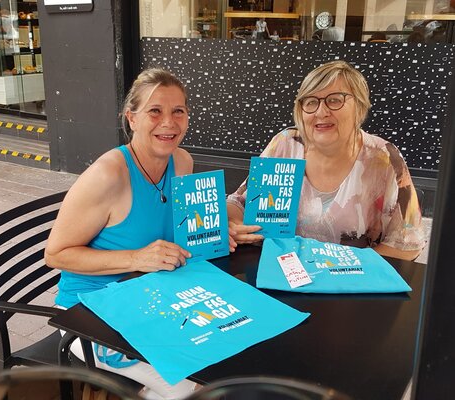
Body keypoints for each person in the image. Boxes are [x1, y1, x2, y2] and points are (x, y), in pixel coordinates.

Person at [45, 68, 199, 399]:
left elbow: (179, 229)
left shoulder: (183, 162)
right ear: (132, 118)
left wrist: (214, 232)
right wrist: (137, 259)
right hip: (90, 314)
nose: (168, 123)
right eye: (155, 111)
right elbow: (55, 254)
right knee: (194, 389)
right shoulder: (108, 174)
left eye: (178, 111)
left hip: (151, 299)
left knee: (223, 359)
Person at [227, 60, 424, 261]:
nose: (321, 112)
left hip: (352, 277)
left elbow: (407, 245)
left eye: (335, 100)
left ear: (359, 106)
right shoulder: (285, 144)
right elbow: (238, 203)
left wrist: (337, 269)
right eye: (311, 102)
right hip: (279, 270)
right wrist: (233, 225)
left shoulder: (383, 157)